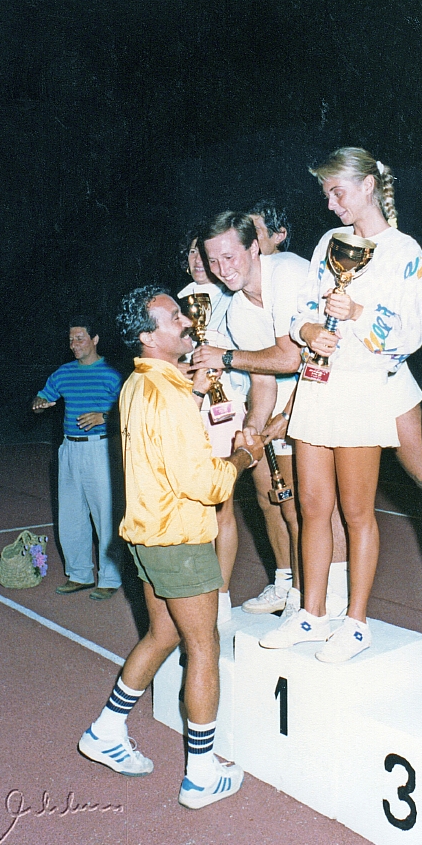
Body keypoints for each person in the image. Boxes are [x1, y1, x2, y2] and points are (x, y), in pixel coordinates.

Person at [78, 286, 263, 808]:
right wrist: (245, 455)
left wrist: (196, 391)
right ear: (147, 336)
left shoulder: (139, 382)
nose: (186, 320)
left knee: (162, 634)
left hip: (144, 536)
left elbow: (167, 428)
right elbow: (207, 485)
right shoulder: (170, 395)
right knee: (203, 647)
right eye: (175, 316)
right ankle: (201, 775)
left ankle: (105, 731)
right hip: (179, 539)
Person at [259, 148, 422, 661]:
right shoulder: (330, 243)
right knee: (313, 509)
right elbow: (304, 311)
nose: (332, 205)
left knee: (357, 513)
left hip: (364, 390)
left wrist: (357, 314)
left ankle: (356, 623)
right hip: (317, 386)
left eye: (339, 192)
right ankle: (311, 614)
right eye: (327, 195)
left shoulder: (405, 251)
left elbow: (411, 335)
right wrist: (309, 329)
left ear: (370, 185)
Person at [193, 212, 309, 617]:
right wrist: (253, 428)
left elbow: (290, 356)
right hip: (281, 395)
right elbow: (263, 381)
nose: (222, 270)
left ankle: (309, 596)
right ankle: (284, 584)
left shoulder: (288, 273)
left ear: (254, 247)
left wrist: (225, 357)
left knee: (300, 506)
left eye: (230, 257)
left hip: (324, 392)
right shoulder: (237, 310)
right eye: (214, 262)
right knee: (268, 497)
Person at [177, 224, 250, 624]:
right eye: (191, 254)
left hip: (225, 406)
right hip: (190, 405)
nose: (197, 262)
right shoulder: (176, 303)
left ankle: (221, 595)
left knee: (222, 503)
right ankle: (195, 590)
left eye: (204, 255)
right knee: (191, 503)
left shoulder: (233, 296)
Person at [32, 316, 123, 600]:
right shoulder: (63, 373)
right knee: (70, 515)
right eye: (71, 340)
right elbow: (40, 399)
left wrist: (104, 416)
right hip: (69, 449)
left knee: (105, 514)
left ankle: (110, 578)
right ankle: (80, 574)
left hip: (101, 449)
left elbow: (130, 411)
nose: (74, 345)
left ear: (95, 340)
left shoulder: (112, 373)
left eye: (80, 338)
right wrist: (39, 404)